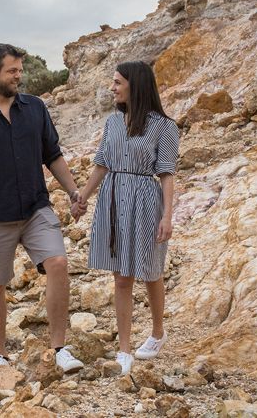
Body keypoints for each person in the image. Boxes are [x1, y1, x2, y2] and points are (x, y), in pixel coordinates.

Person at [0, 43, 84, 374]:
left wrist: (72, 191)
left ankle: (60, 348)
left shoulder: (35, 108)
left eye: (20, 70)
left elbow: (51, 154)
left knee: (57, 263)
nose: (19, 76)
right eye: (13, 71)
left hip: (36, 207)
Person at [72, 61, 179, 376]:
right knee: (121, 277)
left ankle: (158, 333)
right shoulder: (112, 123)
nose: (113, 87)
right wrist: (82, 199)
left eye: (117, 82)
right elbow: (101, 165)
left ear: (136, 85)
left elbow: (167, 174)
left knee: (150, 269)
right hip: (113, 197)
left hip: (146, 200)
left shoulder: (164, 126)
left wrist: (168, 217)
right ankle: (124, 349)